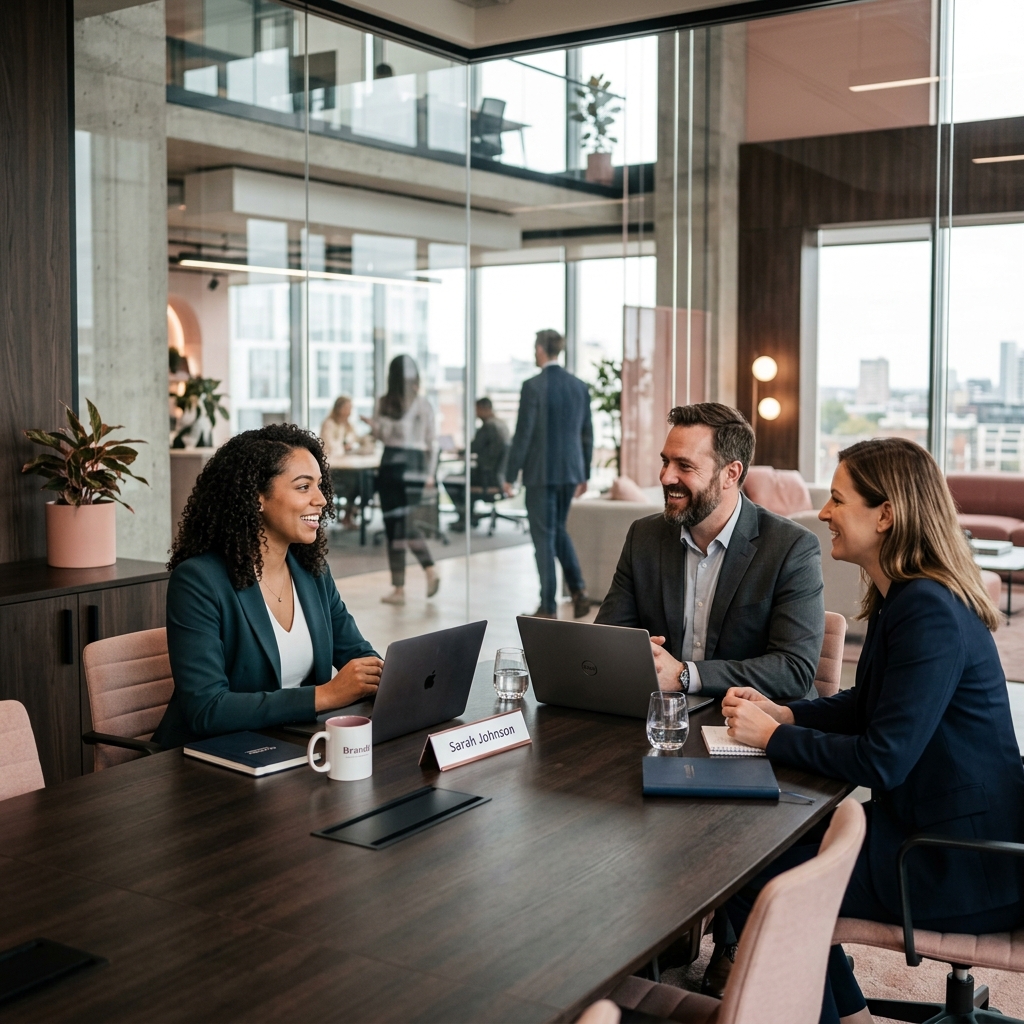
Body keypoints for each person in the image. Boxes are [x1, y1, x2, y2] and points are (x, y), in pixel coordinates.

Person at [719, 437, 1024, 1024]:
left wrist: (771, 739)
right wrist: (788, 715)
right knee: (755, 860)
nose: (824, 513)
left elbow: (884, 760)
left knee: (756, 882)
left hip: (961, 861)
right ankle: (849, 1013)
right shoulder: (906, 597)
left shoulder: (927, 609)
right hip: (938, 827)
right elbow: (869, 706)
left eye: (837, 499)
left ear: (886, 514)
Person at [151, 424, 383, 749]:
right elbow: (206, 709)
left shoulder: (311, 571)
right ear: (256, 497)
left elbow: (356, 653)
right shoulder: (199, 581)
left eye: (319, 485)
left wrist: (388, 676)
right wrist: (325, 695)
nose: (321, 499)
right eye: (304, 487)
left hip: (290, 747)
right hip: (210, 762)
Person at [596, 402, 824, 702]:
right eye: (666, 462)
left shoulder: (791, 547)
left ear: (731, 473)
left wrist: (683, 675)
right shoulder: (644, 536)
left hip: (753, 723)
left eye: (684, 466)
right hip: (664, 717)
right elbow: (606, 640)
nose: (666, 477)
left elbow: (793, 670)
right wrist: (632, 654)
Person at [504, 329, 592, 619]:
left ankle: (548, 606)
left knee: (543, 537)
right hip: (570, 471)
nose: (533, 352)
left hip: (541, 473)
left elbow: (523, 434)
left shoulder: (533, 386)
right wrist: (584, 473)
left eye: (534, 347)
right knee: (558, 531)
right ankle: (578, 591)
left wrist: (510, 472)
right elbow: (586, 434)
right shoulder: (579, 386)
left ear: (541, 349)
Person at [364, 355, 439, 606]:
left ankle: (402, 587)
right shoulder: (423, 404)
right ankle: (424, 573)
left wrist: (374, 426)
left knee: (395, 526)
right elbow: (432, 442)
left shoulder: (385, 403)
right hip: (416, 463)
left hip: (392, 463)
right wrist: (430, 473)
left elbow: (385, 435)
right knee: (403, 523)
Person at [443, 397, 510, 532]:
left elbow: (474, 447)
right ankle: (469, 517)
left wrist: (459, 451)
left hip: (487, 476)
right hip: (498, 476)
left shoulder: (488, 426)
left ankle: (465, 518)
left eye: (477, 410)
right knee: (461, 477)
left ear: (485, 409)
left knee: (449, 480)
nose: (476, 413)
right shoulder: (502, 424)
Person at [320, 395, 360, 529]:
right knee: (355, 482)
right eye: (347, 408)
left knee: (361, 479)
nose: (349, 411)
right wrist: (344, 446)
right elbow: (329, 447)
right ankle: (349, 514)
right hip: (333, 468)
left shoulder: (347, 425)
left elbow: (355, 440)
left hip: (345, 465)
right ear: (339, 409)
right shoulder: (329, 424)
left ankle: (349, 514)